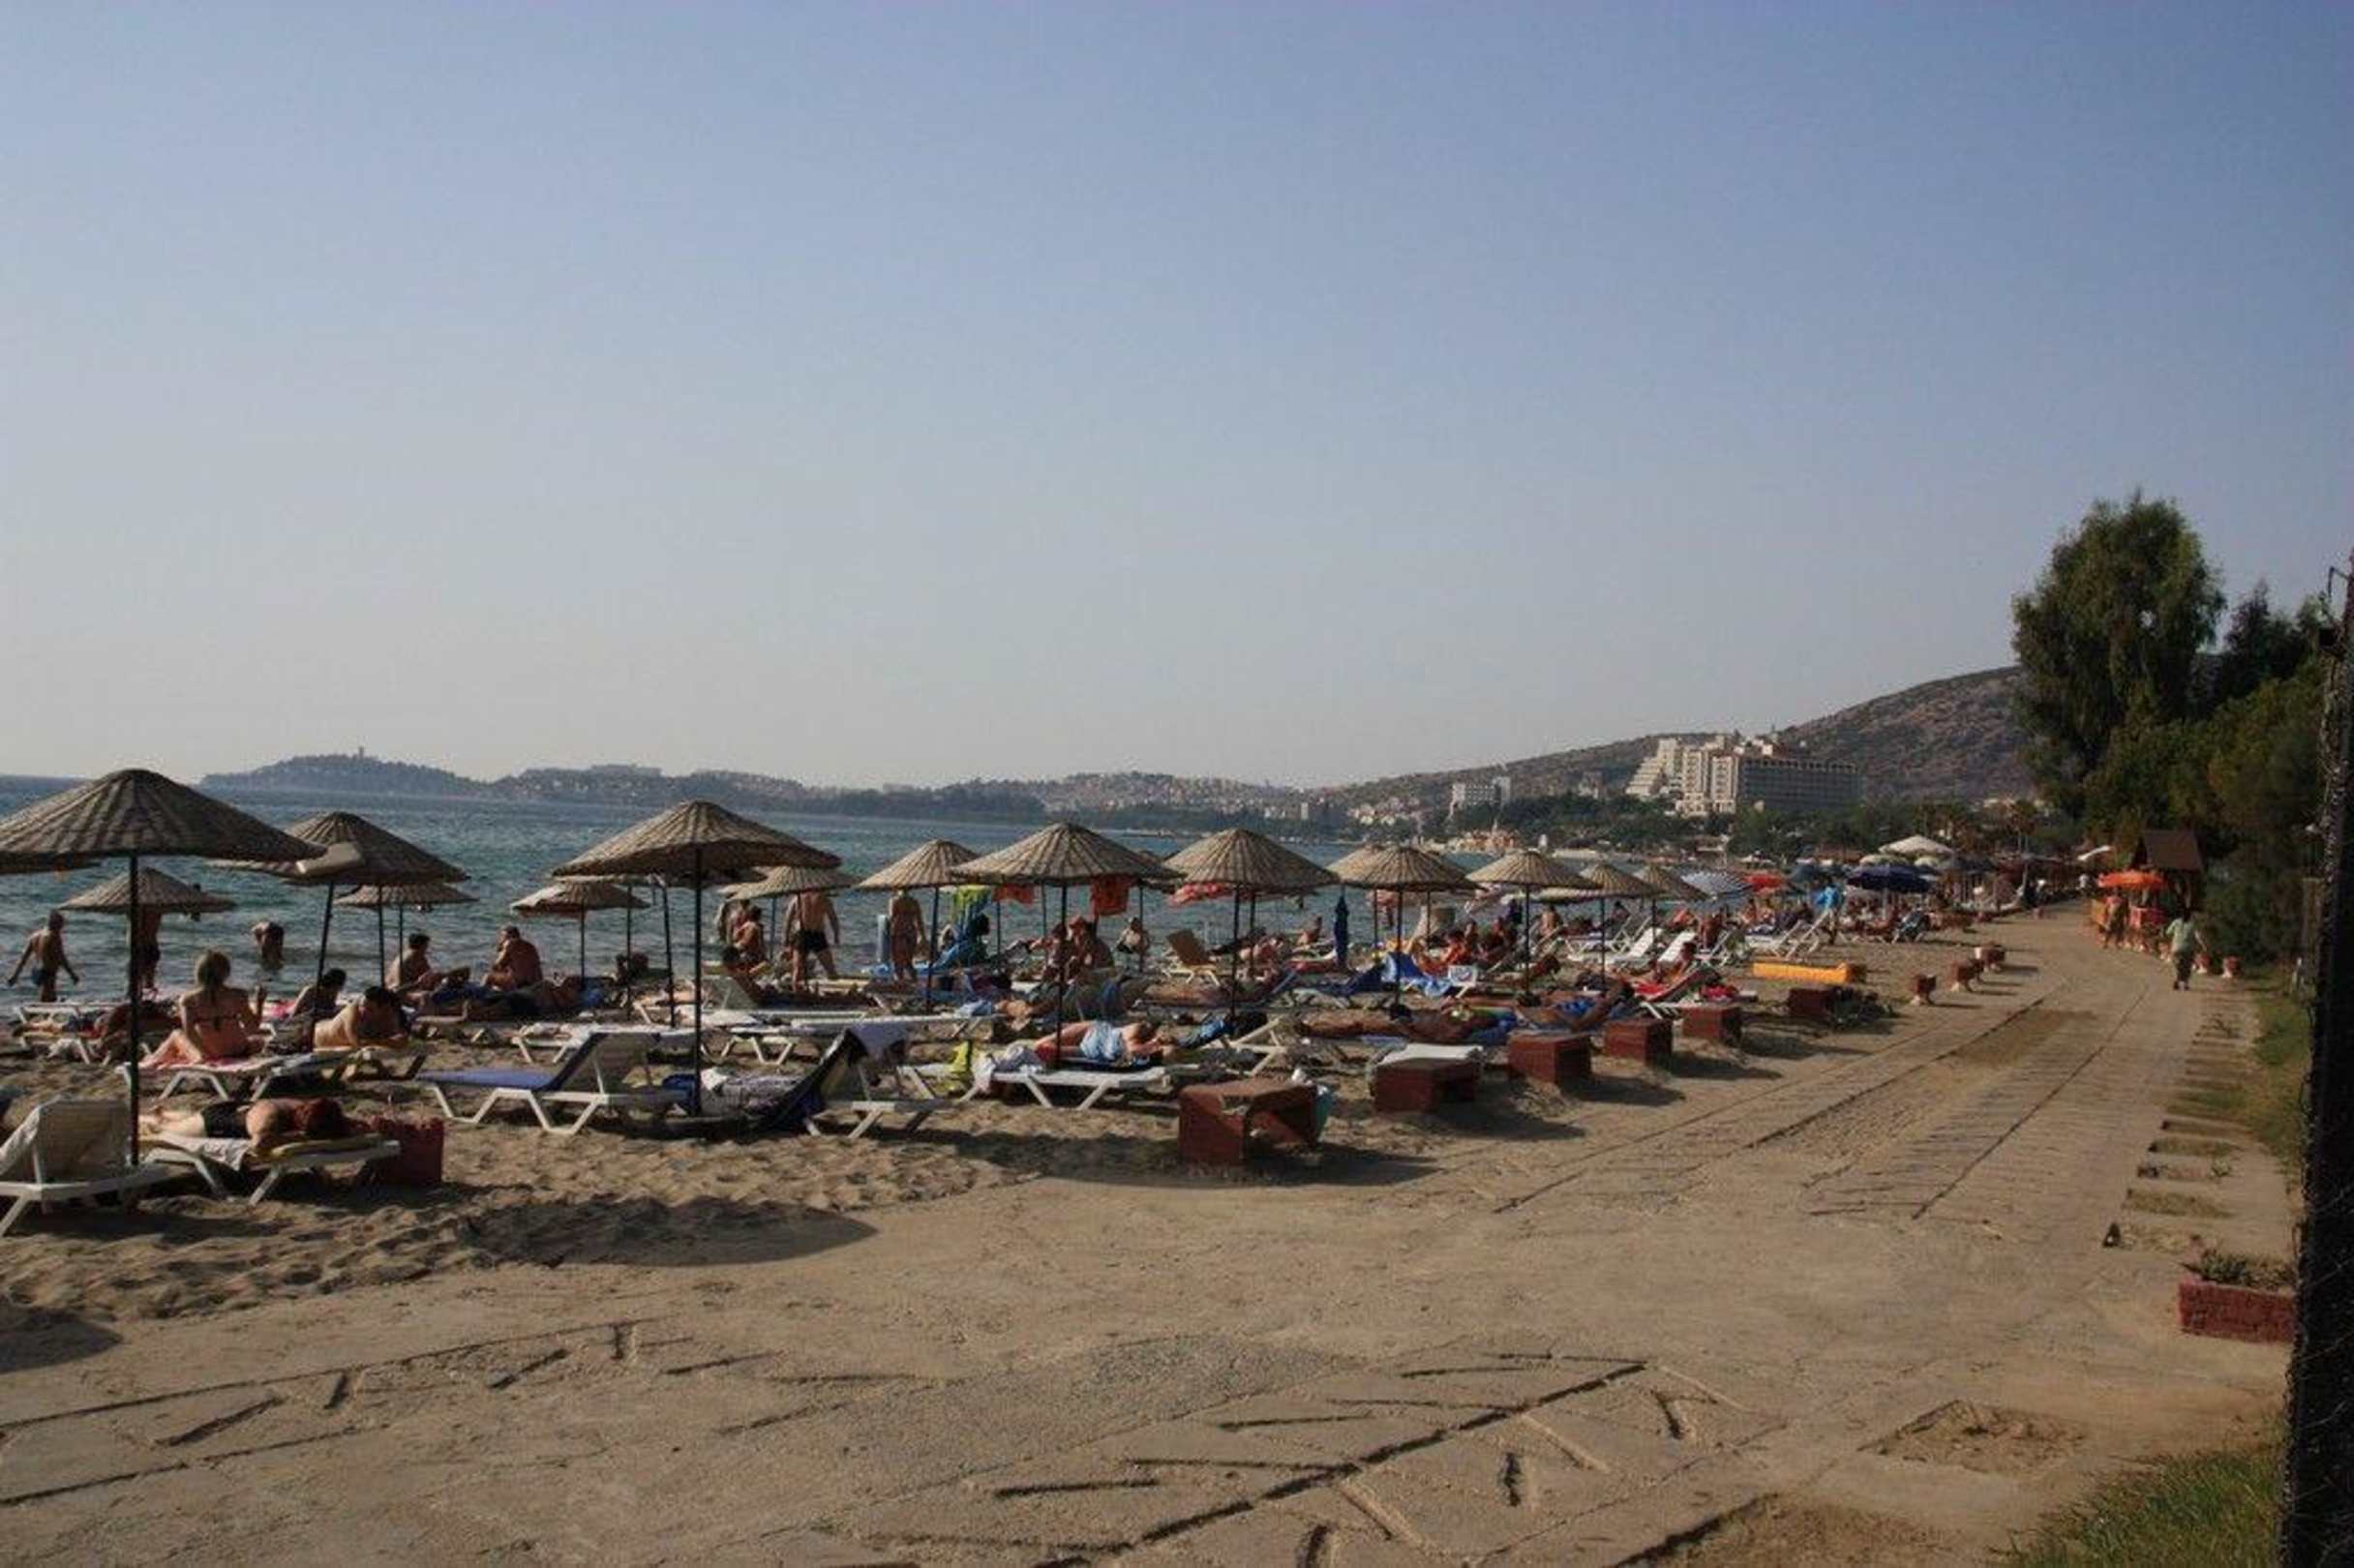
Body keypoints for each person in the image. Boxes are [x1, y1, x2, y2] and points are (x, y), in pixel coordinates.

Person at [144, 950, 261, 1067]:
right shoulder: (239, 995)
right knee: (257, 1041)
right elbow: (252, 1028)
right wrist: (259, 1002)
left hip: (209, 1054)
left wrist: (204, 1054)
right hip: (238, 1050)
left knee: (176, 1034)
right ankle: (157, 1059)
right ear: (226, 972)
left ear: (199, 973)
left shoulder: (189, 999)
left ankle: (151, 1061)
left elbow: (189, 1032)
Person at [311, 984, 408, 1053]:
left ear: (382, 1009)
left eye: (370, 1009)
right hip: (317, 1035)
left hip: (328, 1028)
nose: (363, 1011)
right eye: (361, 1005)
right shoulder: (352, 1012)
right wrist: (385, 1041)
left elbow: (402, 1038)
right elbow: (358, 1043)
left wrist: (388, 1040)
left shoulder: (385, 1013)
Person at [10, 913, 77, 1002]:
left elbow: (23, 958)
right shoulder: (54, 936)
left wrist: (14, 975)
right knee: (47, 999)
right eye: (60, 925)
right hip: (48, 972)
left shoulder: (34, 936)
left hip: (36, 972)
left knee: (48, 997)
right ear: (55, 923)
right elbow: (61, 957)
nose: (61, 928)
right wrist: (72, 974)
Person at [787, 887, 840, 984]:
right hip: (806, 935)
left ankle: (798, 988)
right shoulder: (823, 899)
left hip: (811, 935)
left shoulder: (798, 898)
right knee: (798, 970)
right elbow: (833, 919)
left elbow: (788, 919)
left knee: (799, 970)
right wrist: (836, 935)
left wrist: (786, 937)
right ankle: (797, 990)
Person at [887, 890, 928, 981]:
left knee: (898, 963)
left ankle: (899, 983)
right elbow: (919, 921)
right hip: (911, 932)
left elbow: (891, 917)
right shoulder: (914, 902)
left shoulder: (894, 901)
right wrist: (923, 936)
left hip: (898, 932)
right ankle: (914, 981)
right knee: (908, 962)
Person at [486, 925, 543, 990]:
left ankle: (482, 994)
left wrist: (501, 949)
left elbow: (496, 965)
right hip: (536, 983)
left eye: (502, 936)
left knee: (488, 977)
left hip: (520, 984)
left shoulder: (509, 943)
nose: (501, 939)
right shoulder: (530, 946)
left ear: (508, 936)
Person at [2164, 910, 2208, 990]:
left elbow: (2168, 932)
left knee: (2176, 966)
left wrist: (2173, 939)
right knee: (2187, 967)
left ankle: (2176, 980)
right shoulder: (2193, 925)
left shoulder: (2176, 922)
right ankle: (2185, 983)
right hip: (2188, 949)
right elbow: (2198, 937)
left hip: (2176, 948)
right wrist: (2204, 946)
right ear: (2190, 916)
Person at [731, 904, 769, 969]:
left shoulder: (746, 925)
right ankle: (751, 973)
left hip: (741, 951)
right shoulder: (757, 927)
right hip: (751, 954)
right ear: (759, 916)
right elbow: (761, 944)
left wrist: (742, 941)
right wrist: (764, 955)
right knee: (766, 964)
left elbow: (735, 937)